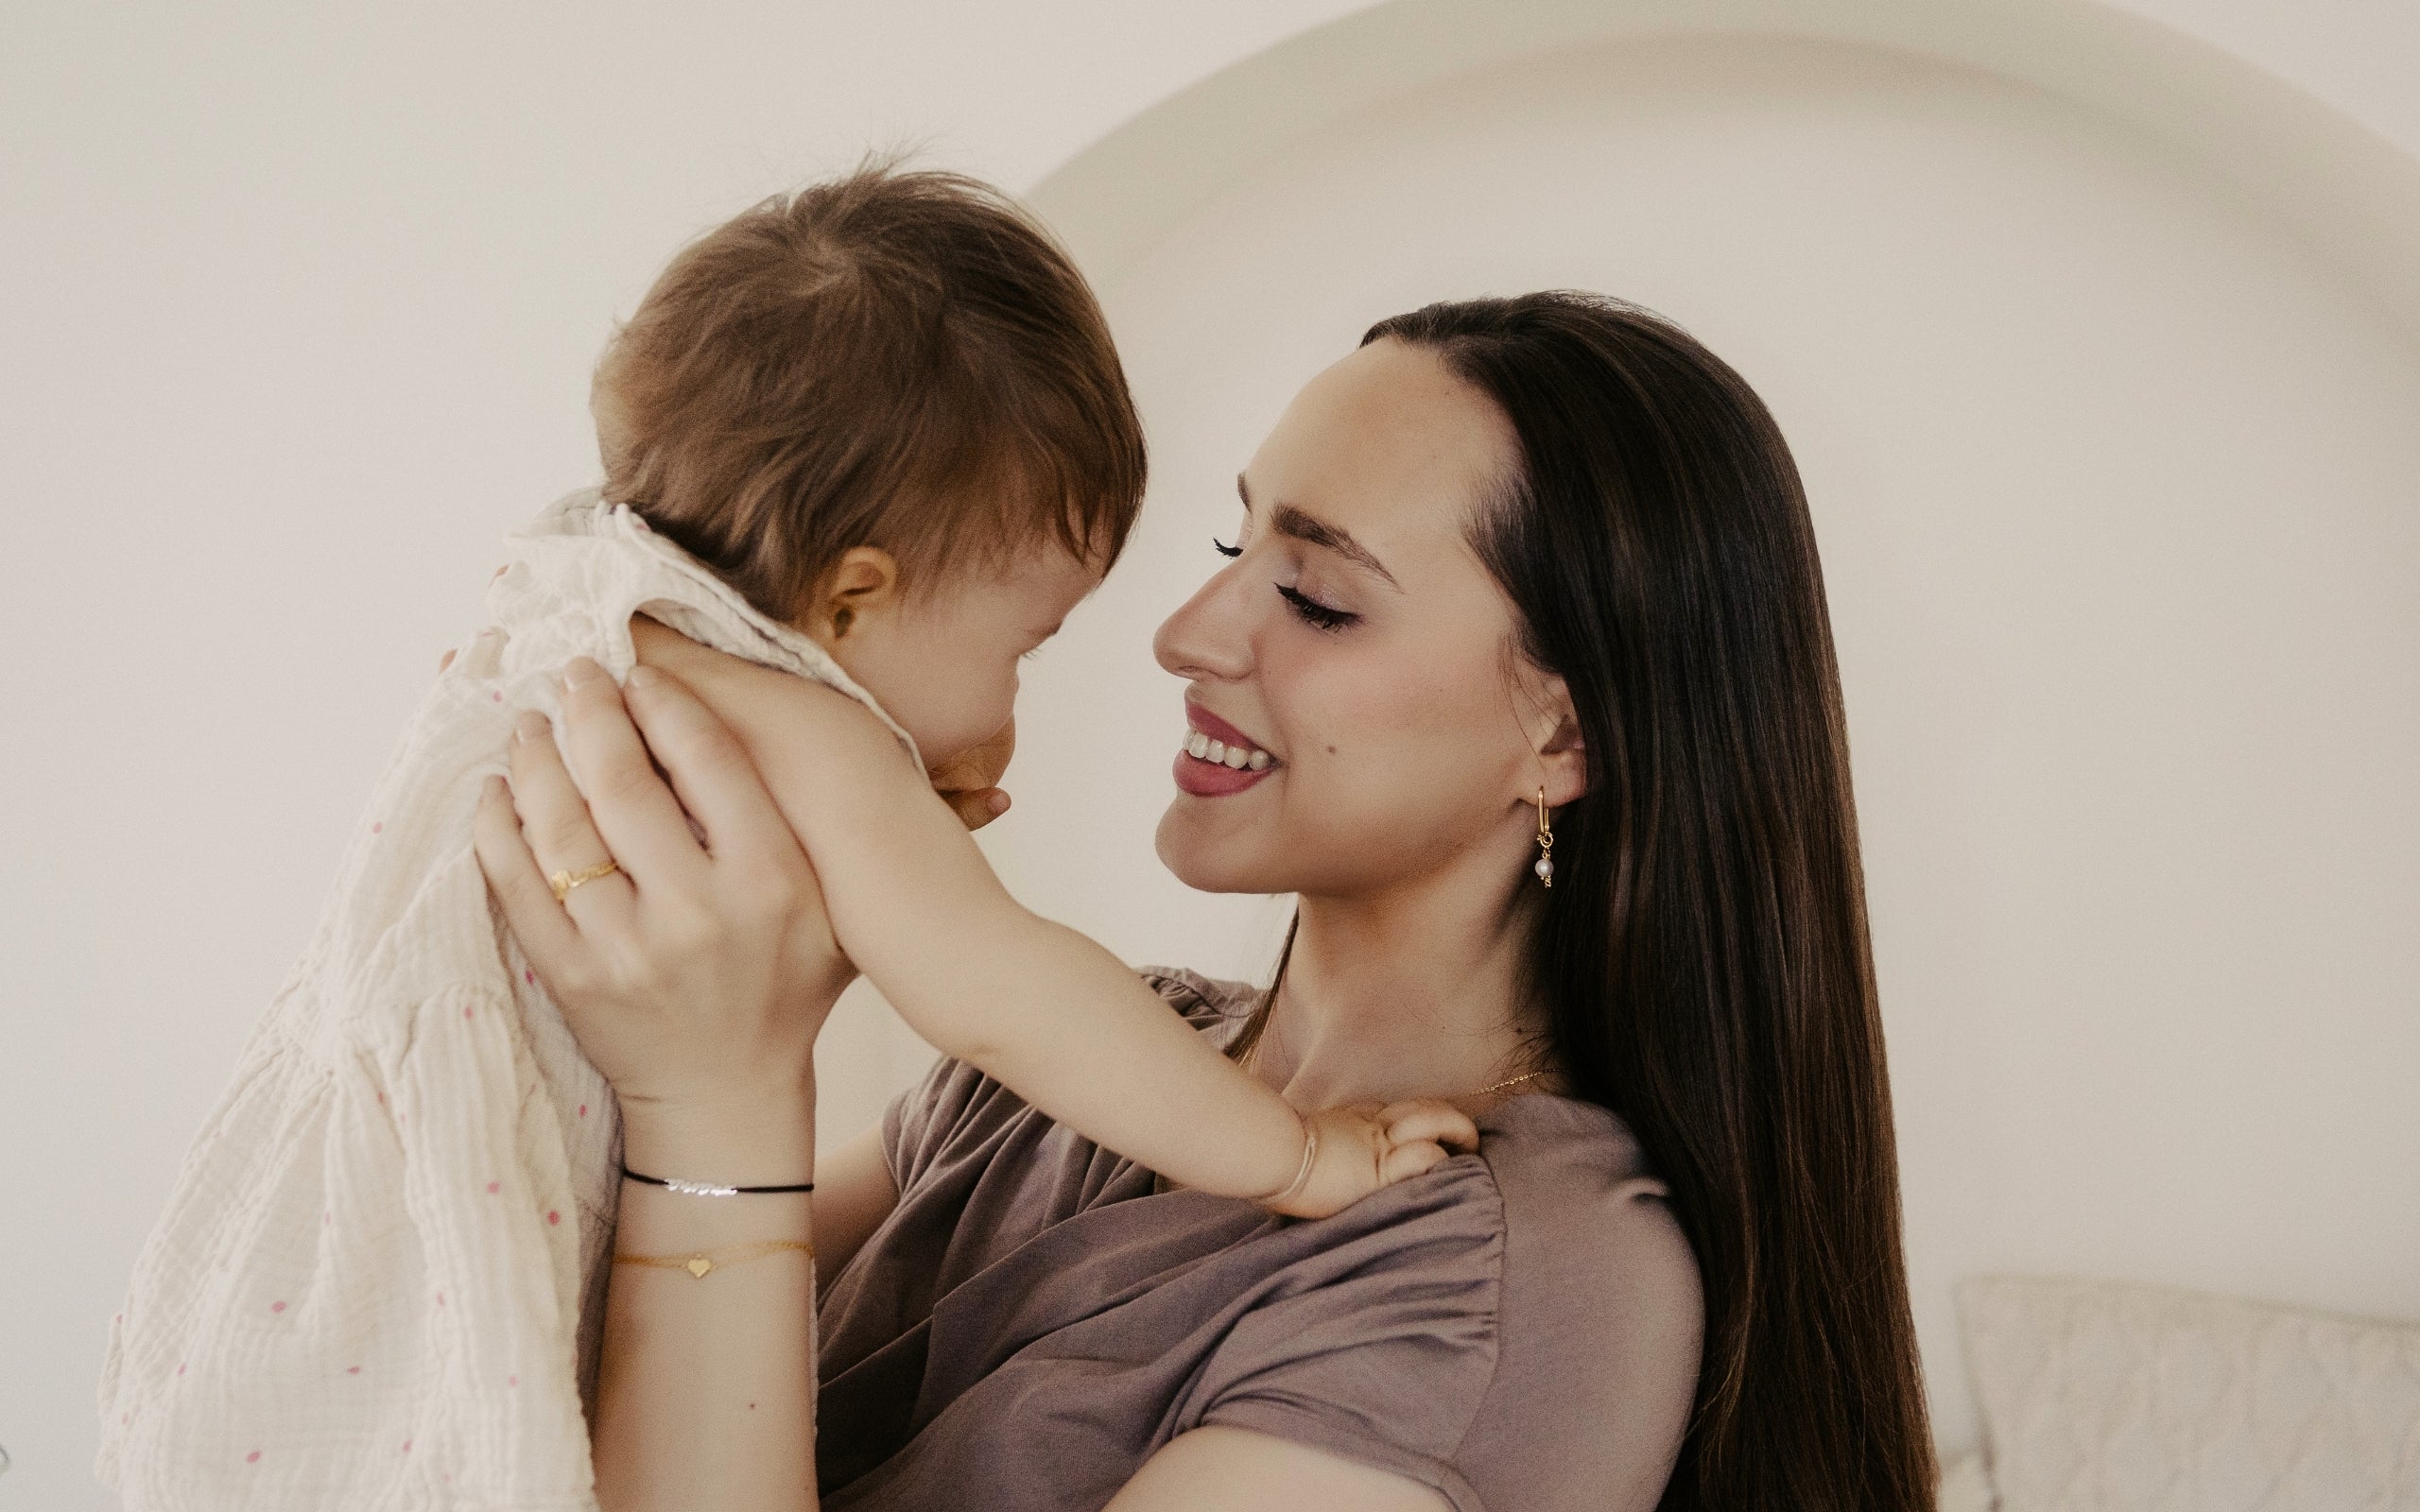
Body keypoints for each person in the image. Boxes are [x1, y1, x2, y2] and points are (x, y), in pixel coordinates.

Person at [97, 164, 1466, 1512]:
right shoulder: (805, 732)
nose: (1021, 701)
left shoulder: (580, 603)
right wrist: (1296, 1157)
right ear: (852, 598)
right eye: (1024, 648)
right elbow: (1007, 994)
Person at [480, 290, 1940, 1511]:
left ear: (1562, 738)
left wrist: (720, 1103)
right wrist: (786, 902)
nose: (1186, 634)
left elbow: (705, 1201)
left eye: (1315, 599)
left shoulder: (1508, 1292)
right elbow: (530, 1318)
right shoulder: (1065, 1076)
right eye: (1238, 550)